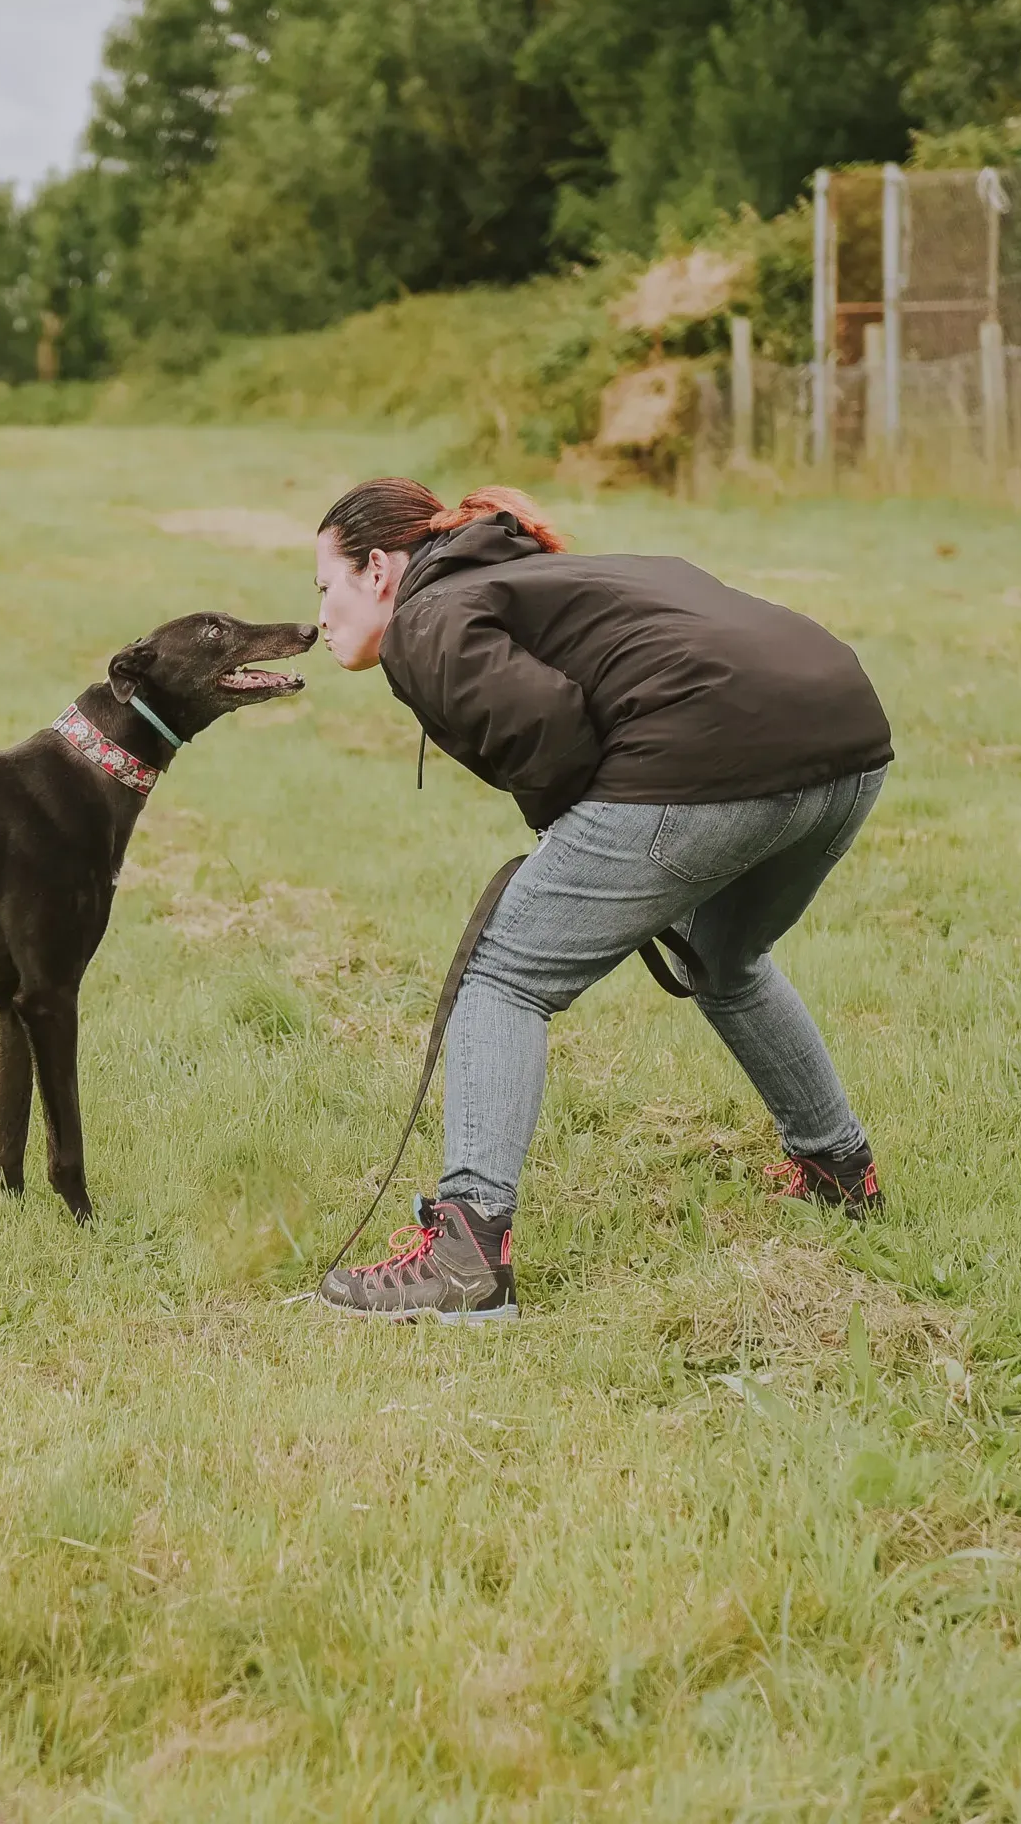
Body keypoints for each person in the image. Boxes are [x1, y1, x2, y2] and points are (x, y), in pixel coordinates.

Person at [309, 478, 894, 1321]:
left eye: (324, 588)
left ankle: (465, 1261)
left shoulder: (427, 620)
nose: (321, 616)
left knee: (504, 975)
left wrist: (572, 838)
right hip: (846, 745)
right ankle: (841, 1175)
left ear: (377, 570)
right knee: (725, 960)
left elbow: (551, 726)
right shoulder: (529, 578)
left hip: (711, 755)